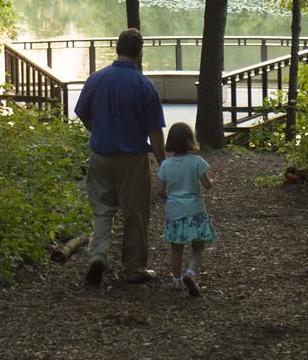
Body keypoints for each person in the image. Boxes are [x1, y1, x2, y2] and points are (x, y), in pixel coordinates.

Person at [74, 28, 166, 285]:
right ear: (139, 52)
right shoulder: (144, 86)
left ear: (117, 49)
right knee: (134, 212)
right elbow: (155, 132)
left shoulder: (97, 78)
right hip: (132, 159)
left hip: (100, 155)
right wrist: (164, 166)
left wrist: (96, 130)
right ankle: (134, 267)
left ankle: (98, 256)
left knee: (102, 210)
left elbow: (82, 112)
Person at [156, 122, 217, 297]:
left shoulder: (166, 165)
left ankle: (176, 280)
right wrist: (212, 182)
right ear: (191, 140)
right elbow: (206, 185)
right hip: (195, 210)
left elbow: (160, 190)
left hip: (175, 211)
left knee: (177, 248)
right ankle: (190, 273)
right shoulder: (197, 162)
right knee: (198, 247)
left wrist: (170, 200)